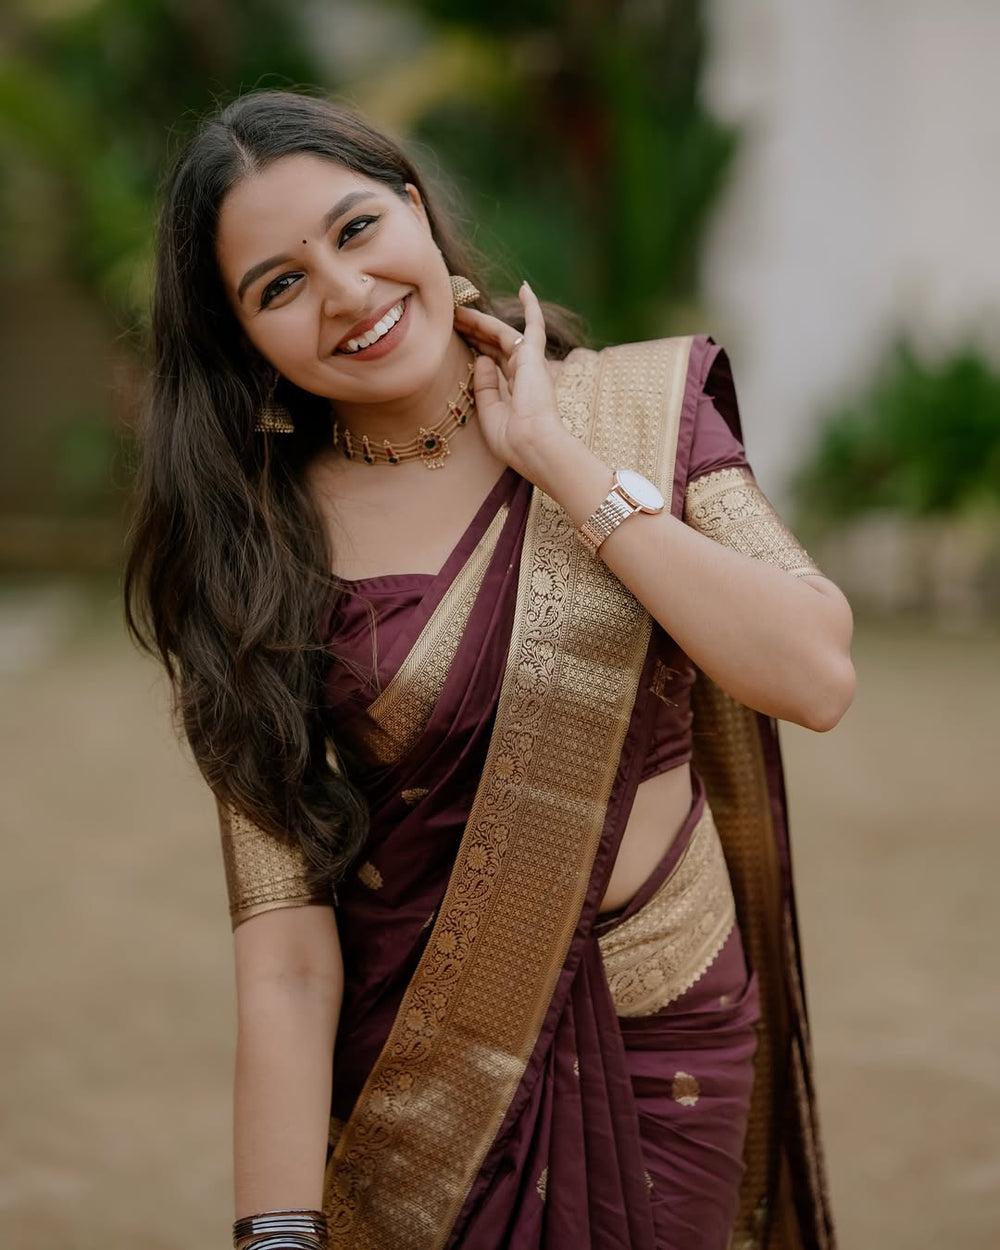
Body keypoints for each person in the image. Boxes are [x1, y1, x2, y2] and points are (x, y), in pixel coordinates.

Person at [125, 89, 854, 1250]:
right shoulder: (252, 562)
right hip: (426, 1082)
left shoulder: (631, 410)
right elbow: (283, 954)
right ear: (242, 339)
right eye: (280, 284)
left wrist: (564, 464)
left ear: (415, 211)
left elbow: (814, 671)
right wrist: (275, 1235)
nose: (348, 293)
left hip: (665, 1026)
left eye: (356, 229)